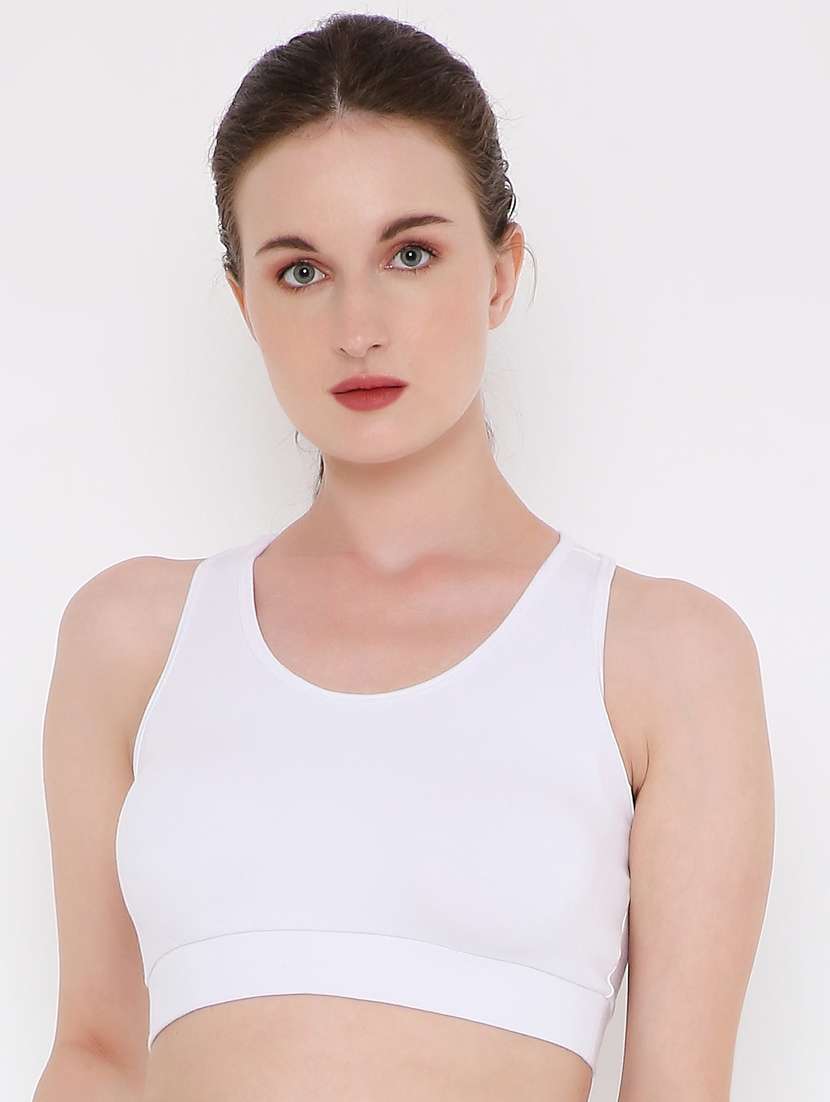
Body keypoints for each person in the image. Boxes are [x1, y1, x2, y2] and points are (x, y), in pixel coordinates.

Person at [35, 12, 775, 1102]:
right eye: (300, 272)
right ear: (244, 304)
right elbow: (95, 1055)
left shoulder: (663, 659)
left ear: (499, 273)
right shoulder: (132, 638)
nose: (358, 326)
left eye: (410, 254)